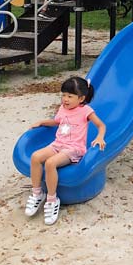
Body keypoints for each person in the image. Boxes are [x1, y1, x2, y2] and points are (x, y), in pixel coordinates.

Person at [25, 77, 107, 226]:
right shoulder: (63, 108)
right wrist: (42, 122)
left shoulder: (85, 111)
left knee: (50, 163)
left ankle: (52, 199)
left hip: (74, 149)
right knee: (35, 157)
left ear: (81, 98)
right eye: (63, 95)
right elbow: (57, 122)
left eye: (70, 96)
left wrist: (100, 137)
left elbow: (101, 125)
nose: (65, 99)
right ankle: (37, 193)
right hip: (58, 144)